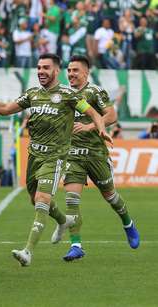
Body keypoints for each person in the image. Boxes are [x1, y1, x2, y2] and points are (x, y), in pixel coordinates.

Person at [0, 53, 113, 266]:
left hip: (55, 157)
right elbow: (6, 110)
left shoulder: (68, 94)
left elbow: (94, 113)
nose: (41, 71)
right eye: (38, 67)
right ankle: (63, 221)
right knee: (34, 198)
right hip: (34, 156)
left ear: (56, 71)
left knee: (42, 200)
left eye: (46, 67)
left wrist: (100, 129)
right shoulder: (32, 94)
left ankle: (27, 251)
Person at [51, 55, 140, 261]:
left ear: (86, 73)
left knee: (111, 197)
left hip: (96, 154)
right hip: (73, 155)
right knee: (71, 199)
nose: (71, 74)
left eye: (76, 70)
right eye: (69, 70)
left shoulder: (95, 92)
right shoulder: (63, 93)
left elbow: (111, 115)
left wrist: (90, 126)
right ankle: (76, 245)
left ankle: (128, 223)